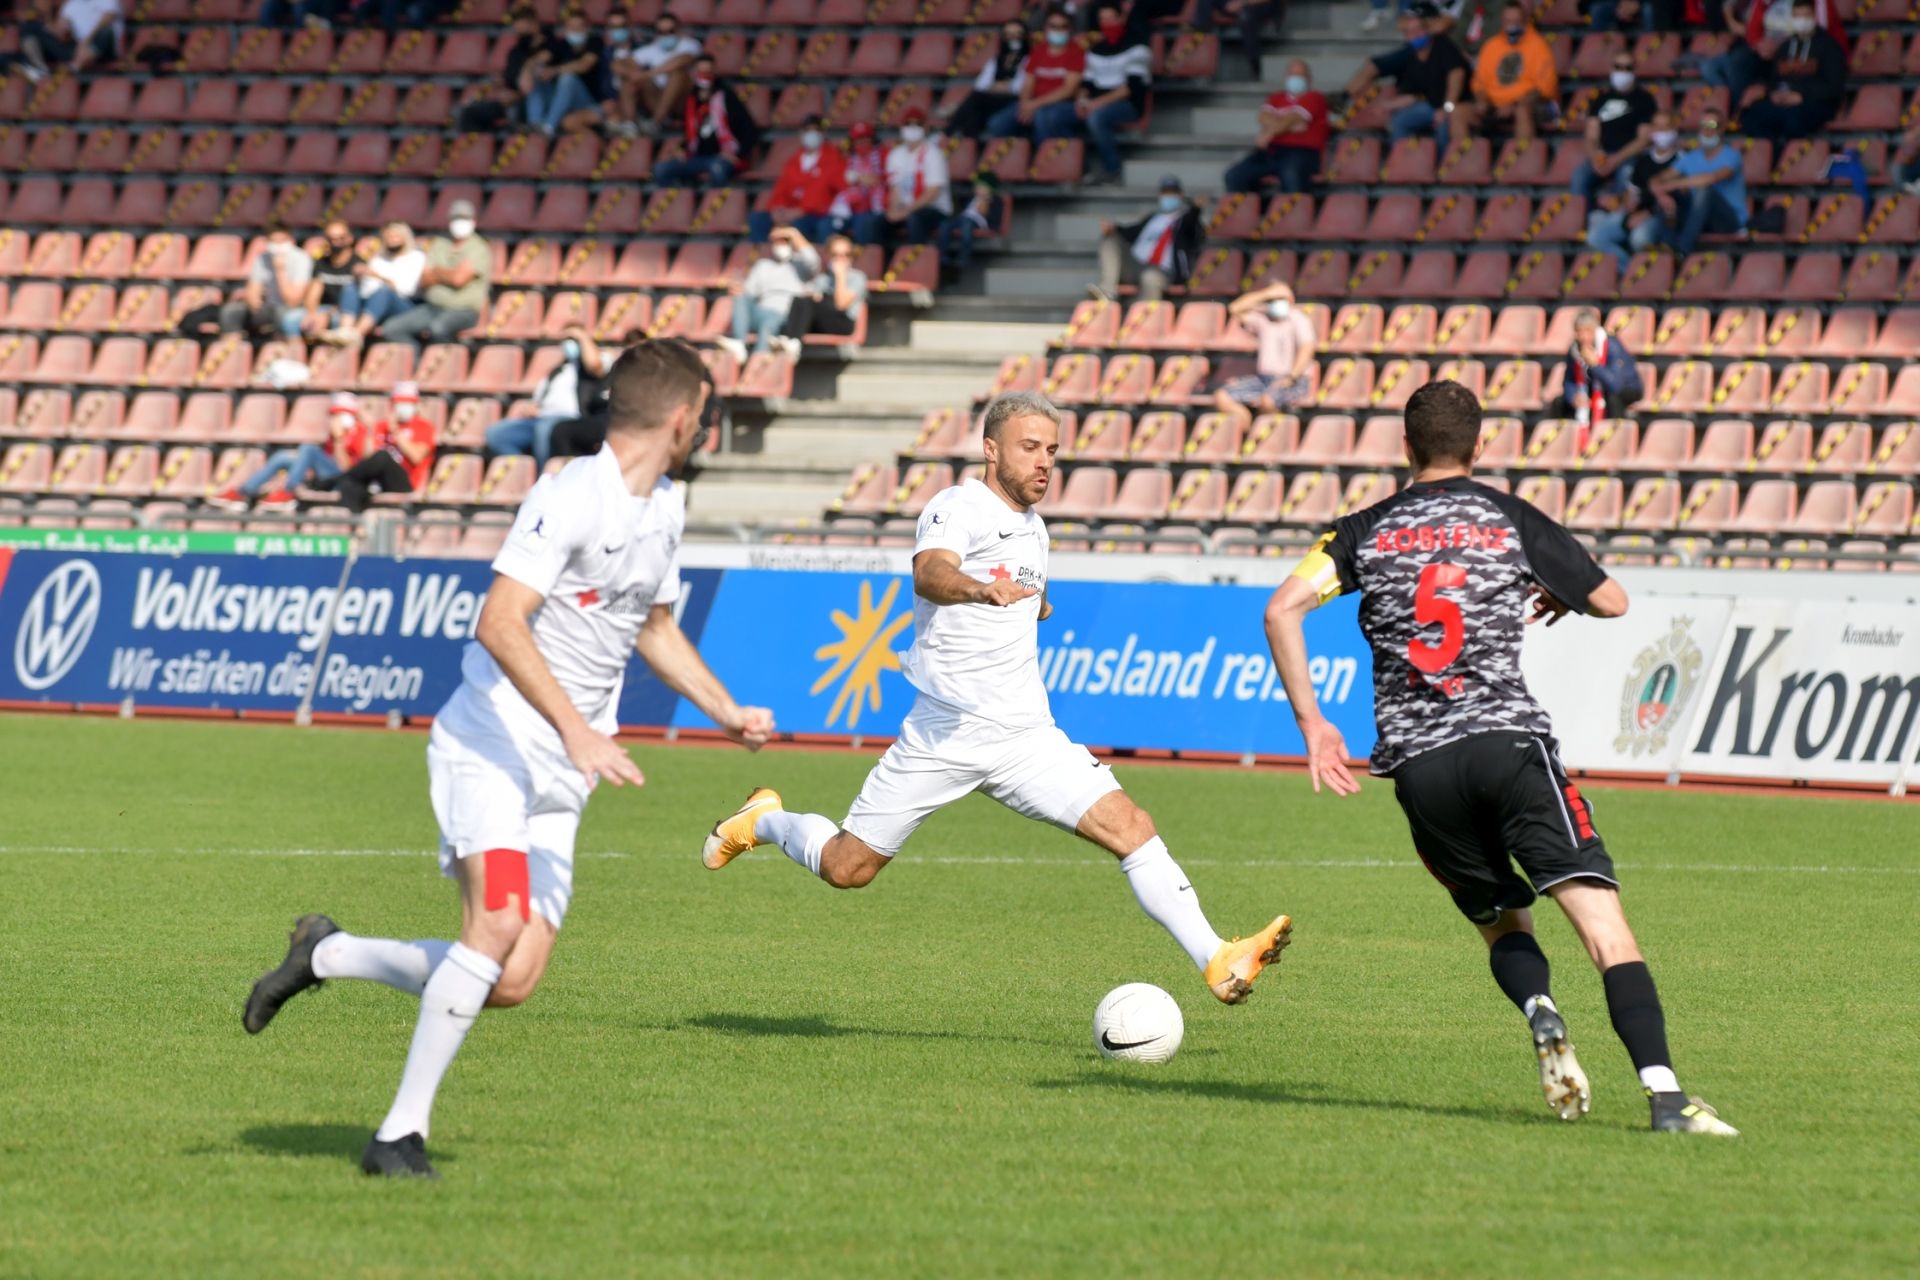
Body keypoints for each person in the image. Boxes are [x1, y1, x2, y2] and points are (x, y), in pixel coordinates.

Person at [242, 340, 776, 1180]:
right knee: (492, 928)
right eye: (703, 414)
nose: (703, 427)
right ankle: (396, 1137)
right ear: (680, 416)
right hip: (491, 745)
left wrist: (726, 711)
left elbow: (656, 628)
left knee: (513, 977)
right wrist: (575, 728)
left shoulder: (665, 508)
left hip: (566, 772)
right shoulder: (568, 494)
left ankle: (325, 954)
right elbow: (500, 620)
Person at [700, 390, 1292, 1010]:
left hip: (1024, 738)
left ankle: (1217, 958)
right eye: (1030, 448)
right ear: (990, 449)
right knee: (849, 867)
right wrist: (978, 590)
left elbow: (1025, 596)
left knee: (1133, 827)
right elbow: (930, 572)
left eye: (1053, 452)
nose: (1045, 463)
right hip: (945, 735)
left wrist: (1029, 601)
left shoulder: (1034, 528)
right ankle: (764, 820)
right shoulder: (959, 505)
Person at [1260, 379, 1739, 1138]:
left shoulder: (1360, 531)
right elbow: (1612, 601)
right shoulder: (1507, 517)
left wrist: (1314, 724)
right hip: (1507, 747)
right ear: (1480, 448)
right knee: (1603, 927)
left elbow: (1280, 607)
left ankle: (1540, 1009)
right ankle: (1668, 1098)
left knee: (1502, 923)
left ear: (1404, 447)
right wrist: (1559, 591)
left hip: (1419, 768)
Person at [208, 391, 369, 511]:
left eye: (338, 414)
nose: (333, 419)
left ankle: (288, 492)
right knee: (282, 457)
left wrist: (340, 440)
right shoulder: (332, 435)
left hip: (345, 482)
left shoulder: (359, 433)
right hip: (326, 478)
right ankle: (243, 492)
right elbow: (325, 462)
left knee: (308, 448)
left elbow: (347, 469)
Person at [1345, 5, 1470, 156]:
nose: (1413, 36)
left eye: (1418, 30)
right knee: (1400, 121)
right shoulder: (1411, 55)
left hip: (1455, 107)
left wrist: (1446, 108)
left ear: (1428, 29)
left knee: (1444, 124)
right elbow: (1413, 95)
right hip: (1430, 106)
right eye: (1409, 32)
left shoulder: (1444, 46)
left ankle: (1442, 168)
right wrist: (1388, 105)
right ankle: (1401, 162)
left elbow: (1457, 76)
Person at [485, 329, 615, 472]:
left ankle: (545, 478)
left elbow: (595, 365)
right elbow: (538, 398)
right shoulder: (556, 371)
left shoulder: (593, 366)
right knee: (497, 434)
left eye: (573, 340)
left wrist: (582, 336)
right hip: (541, 417)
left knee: (545, 430)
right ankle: (523, 474)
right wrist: (532, 408)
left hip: (569, 419)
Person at [306, 382, 438, 512]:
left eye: (408, 402)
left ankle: (332, 481)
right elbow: (368, 459)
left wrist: (396, 432)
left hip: (405, 483)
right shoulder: (381, 426)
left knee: (383, 457)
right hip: (378, 481)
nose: (403, 406)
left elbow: (417, 457)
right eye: (399, 402)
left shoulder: (424, 427)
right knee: (350, 486)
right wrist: (370, 430)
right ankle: (354, 527)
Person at [1214, 283, 1316, 437]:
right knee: (1222, 396)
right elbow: (1234, 308)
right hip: (1264, 379)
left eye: (1279, 299)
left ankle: (1275, 438)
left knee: (1268, 401)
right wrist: (1266, 293)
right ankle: (1248, 437)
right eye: (1273, 299)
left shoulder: (1298, 319)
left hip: (1294, 379)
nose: (1275, 302)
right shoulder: (1263, 319)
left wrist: (1292, 376)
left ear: (1290, 300)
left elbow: (1306, 348)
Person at [1736, 0, 1844, 144]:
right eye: (1797, 16)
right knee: (1751, 115)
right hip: (1785, 100)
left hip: (1815, 102)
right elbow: (1775, 79)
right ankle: (1768, 154)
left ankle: (1786, 157)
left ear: (1814, 16)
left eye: (1805, 15)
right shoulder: (1785, 47)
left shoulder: (1829, 46)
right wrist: (1774, 94)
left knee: (1793, 119)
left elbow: (1833, 87)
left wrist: (1801, 96)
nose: (1801, 20)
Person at [1584, 111, 1681, 270]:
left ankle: (1645, 273)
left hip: (1660, 217)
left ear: (1674, 129)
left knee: (1639, 238)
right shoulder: (1643, 160)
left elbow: (1678, 200)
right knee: (1595, 236)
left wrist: (1648, 213)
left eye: (1666, 127)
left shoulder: (1682, 160)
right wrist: (1626, 204)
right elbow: (1633, 192)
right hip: (1635, 213)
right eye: (1657, 127)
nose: (1661, 132)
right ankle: (1630, 270)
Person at [382, 202, 489, 345]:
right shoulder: (439, 243)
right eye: (457, 218)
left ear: (473, 221)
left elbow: (458, 280)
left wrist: (437, 272)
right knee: (392, 329)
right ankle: (418, 361)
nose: (460, 223)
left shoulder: (479, 247)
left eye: (464, 218)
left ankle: (446, 362)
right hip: (433, 307)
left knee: (437, 329)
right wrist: (449, 274)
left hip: (463, 311)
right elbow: (425, 280)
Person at [652, 53, 760, 188]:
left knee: (718, 168)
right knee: (661, 170)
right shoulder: (691, 100)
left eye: (708, 72)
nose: (705, 76)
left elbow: (749, 130)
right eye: (701, 72)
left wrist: (738, 154)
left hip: (722, 157)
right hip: (697, 157)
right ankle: (681, 203)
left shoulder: (727, 97)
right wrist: (681, 150)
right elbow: (693, 134)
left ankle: (715, 206)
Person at [1092, 174, 1205, 303]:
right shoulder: (1152, 219)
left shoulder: (1184, 222)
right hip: (1136, 265)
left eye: (1172, 193)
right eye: (1165, 193)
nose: (1168, 196)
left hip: (1163, 271)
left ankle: (1143, 319)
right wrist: (1114, 228)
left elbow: (1192, 226)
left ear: (1181, 195)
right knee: (1110, 240)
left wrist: (1196, 209)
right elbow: (1129, 232)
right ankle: (1107, 292)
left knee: (1150, 277)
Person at [1073, 1, 1152, 186]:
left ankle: (1112, 170)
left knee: (1096, 118)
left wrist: (1097, 103)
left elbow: (1131, 88)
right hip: (1095, 103)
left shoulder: (1138, 46)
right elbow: (1087, 83)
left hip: (1129, 105)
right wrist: (1082, 99)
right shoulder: (1095, 49)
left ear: (1122, 18)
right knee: (1050, 116)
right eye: (1103, 19)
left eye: (1111, 18)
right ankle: (1080, 170)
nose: (1107, 23)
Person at [1223, 60, 1330, 195]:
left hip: (1303, 153)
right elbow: (1262, 117)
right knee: (1234, 176)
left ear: (1309, 79)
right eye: (1291, 74)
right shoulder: (1276, 98)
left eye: (1300, 75)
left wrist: (1270, 131)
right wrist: (1289, 127)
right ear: (1286, 77)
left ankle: (1294, 214)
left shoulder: (1315, 97)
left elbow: (1293, 118)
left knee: (1291, 175)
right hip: (1272, 152)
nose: (1295, 79)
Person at [715, 226, 820, 361]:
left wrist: (792, 233)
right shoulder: (762, 265)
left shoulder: (801, 265)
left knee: (767, 326)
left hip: (785, 315)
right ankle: (739, 343)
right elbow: (749, 292)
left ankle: (758, 362)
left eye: (785, 240)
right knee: (741, 296)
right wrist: (736, 289)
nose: (780, 244)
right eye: (777, 241)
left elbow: (813, 259)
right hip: (761, 311)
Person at [1650, 111, 1747, 255]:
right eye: (1703, 125)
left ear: (1721, 129)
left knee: (1704, 191)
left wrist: (1673, 185)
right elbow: (1656, 179)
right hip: (1699, 219)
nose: (1707, 130)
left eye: (1712, 125)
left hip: (1728, 221)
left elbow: (1710, 178)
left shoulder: (1732, 155)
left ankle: (1683, 249)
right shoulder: (1691, 157)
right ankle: (1667, 247)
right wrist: (1661, 194)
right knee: (1668, 197)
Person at [985, 9, 1084, 144]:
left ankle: (1044, 160)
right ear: (1046, 28)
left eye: (1063, 26)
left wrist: (1033, 105)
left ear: (1070, 29)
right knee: (997, 124)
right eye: (1053, 26)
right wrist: (1025, 103)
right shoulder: (1038, 51)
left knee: (1042, 117)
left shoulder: (1076, 52)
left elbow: (1068, 90)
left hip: (1063, 104)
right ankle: (1020, 156)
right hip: (1033, 102)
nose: (1058, 30)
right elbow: (1028, 83)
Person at [1468, 2, 1559, 143]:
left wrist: (1514, 104)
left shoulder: (1538, 45)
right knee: (1460, 113)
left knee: (1522, 111)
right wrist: (1482, 100)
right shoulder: (1491, 46)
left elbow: (1544, 88)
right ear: (1502, 22)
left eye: (1517, 21)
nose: (1512, 26)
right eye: (1508, 21)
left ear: (1525, 21)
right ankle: (1466, 162)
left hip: (1533, 104)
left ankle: (1524, 160)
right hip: (1496, 104)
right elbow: (1479, 83)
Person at [1572, 51, 1654, 205]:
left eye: (1627, 68)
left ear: (1634, 71)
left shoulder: (1645, 100)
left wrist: (1615, 160)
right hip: (1603, 154)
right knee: (1579, 176)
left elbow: (1643, 139)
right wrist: (1596, 157)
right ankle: (1580, 224)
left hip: (1629, 155)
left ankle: (1618, 219)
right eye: (1618, 67)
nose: (1622, 72)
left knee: (1626, 175)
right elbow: (1591, 136)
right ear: (1611, 69)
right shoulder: (1600, 99)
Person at [748, 117, 845, 245]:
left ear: (823, 133)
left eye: (816, 130)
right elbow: (781, 189)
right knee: (757, 219)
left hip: (817, 214)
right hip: (791, 211)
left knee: (799, 224)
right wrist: (778, 209)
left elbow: (829, 193)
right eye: (807, 130)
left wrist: (802, 210)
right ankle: (762, 259)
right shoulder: (794, 161)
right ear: (801, 133)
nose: (812, 134)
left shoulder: (834, 158)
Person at [326, 221, 423, 346]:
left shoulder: (416, 258)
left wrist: (378, 276)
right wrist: (361, 277)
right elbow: (368, 289)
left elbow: (407, 290)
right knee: (351, 286)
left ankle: (357, 335)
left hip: (405, 306)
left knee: (384, 291)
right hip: (376, 303)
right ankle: (344, 331)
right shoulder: (379, 259)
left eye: (395, 237)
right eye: (388, 237)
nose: (391, 241)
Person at [1560, 312, 1642, 452]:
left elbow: (1615, 385)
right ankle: (1568, 448)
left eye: (1587, 332)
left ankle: (1615, 445)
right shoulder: (1574, 350)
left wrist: (1595, 365)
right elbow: (1569, 380)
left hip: (1625, 389)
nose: (1583, 337)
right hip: (1592, 389)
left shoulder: (1612, 346)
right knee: (1560, 403)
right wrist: (1573, 395)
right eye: (1579, 332)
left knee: (1613, 400)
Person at [613, 8, 700, 137]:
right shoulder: (651, 49)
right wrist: (633, 74)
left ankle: (656, 122)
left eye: (670, 31)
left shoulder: (690, 44)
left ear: (678, 30)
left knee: (677, 74)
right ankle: (629, 124)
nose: (666, 35)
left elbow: (680, 61)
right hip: (656, 99)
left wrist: (647, 74)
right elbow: (617, 64)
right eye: (662, 32)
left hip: (684, 102)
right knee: (628, 78)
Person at [219, 220, 312, 338]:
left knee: (283, 314)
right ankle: (231, 347)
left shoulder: (301, 258)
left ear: (289, 239)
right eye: (274, 241)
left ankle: (279, 348)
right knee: (231, 311)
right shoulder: (262, 258)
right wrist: (253, 302)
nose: (277, 245)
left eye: (281, 240)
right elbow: (253, 290)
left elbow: (293, 300)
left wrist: (280, 270)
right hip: (269, 307)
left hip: (292, 309)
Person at [523, 8, 604, 138]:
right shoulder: (561, 44)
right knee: (536, 74)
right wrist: (526, 71)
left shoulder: (595, 42)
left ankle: (549, 127)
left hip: (588, 102)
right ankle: (535, 123)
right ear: (565, 29)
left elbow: (585, 65)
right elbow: (539, 58)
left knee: (568, 78)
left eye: (579, 27)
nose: (575, 31)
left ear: (587, 27)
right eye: (571, 28)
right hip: (561, 101)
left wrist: (555, 70)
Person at [780, 234, 868, 351]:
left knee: (809, 303)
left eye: (846, 255)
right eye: (835, 255)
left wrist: (840, 276)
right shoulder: (823, 279)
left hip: (843, 323)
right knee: (800, 300)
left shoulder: (858, 277)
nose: (840, 259)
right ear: (828, 255)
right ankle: (791, 340)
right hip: (822, 321)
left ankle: (793, 343)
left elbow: (841, 304)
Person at [944, 19, 1029, 140]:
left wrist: (999, 86)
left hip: (1014, 103)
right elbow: (981, 84)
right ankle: (967, 141)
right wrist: (1004, 86)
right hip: (993, 101)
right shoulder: (997, 59)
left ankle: (948, 133)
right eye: (1009, 34)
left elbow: (1020, 87)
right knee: (975, 104)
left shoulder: (1029, 58)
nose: (1013, 37)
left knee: (976, 100)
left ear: (1024, 36)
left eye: (1017, 33)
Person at [883, 108, 951, 245]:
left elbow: (932, 192)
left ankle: (916, 261)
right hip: (905, 208)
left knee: (915, 219)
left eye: (918, 124)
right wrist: (893, 211)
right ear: (902, 127)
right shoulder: (895, 154)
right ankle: (879, 262)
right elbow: (895, 189)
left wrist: (906, 211)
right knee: (876, 221)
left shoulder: (933, 153)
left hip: (934, 210)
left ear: (925, 127)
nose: (912, 128)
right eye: (908, 124)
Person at [293, 220, 361, 341]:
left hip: (347, 312)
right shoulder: (321, 263)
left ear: (350, 238)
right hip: (323, 308)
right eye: (331, 238)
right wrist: (312, 314)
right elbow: (313, 293)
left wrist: (327, 315)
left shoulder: (358, 264)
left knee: (336, 322)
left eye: (341, 238)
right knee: (291, 320)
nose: (336, 242)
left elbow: (357, 300)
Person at [18, 0, 120, 79]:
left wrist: (86, 41)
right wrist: (48, 23)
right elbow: (61, 31)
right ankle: (40, 67)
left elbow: (108, 18)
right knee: (30, 27)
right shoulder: (71, 4)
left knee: (106, 32)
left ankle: (76, 66)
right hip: (77, 48)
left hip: (101, 50)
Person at [830, 121, 889, 246]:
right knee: (830, 223)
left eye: (865, 139)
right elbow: (841, 185)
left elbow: (879, 180)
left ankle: (865, 260)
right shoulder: (847, 159)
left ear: (872, 140)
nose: (862, 143)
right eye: (858, 140)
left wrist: (859, 177)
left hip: (877, 209)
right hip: (853, 208)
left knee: (863, 222)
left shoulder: (883, 155)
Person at [936, 172, 1005, 275]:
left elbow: (994, 218)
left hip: (979, 221)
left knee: (967, 226)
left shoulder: (994, 200)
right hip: (964, 218)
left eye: (982, 186)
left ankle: (964, 257)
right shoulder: (971, 198)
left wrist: (986, 209)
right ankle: (942, 255)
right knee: (946, 224)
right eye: (977, 186)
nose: (978, 189)